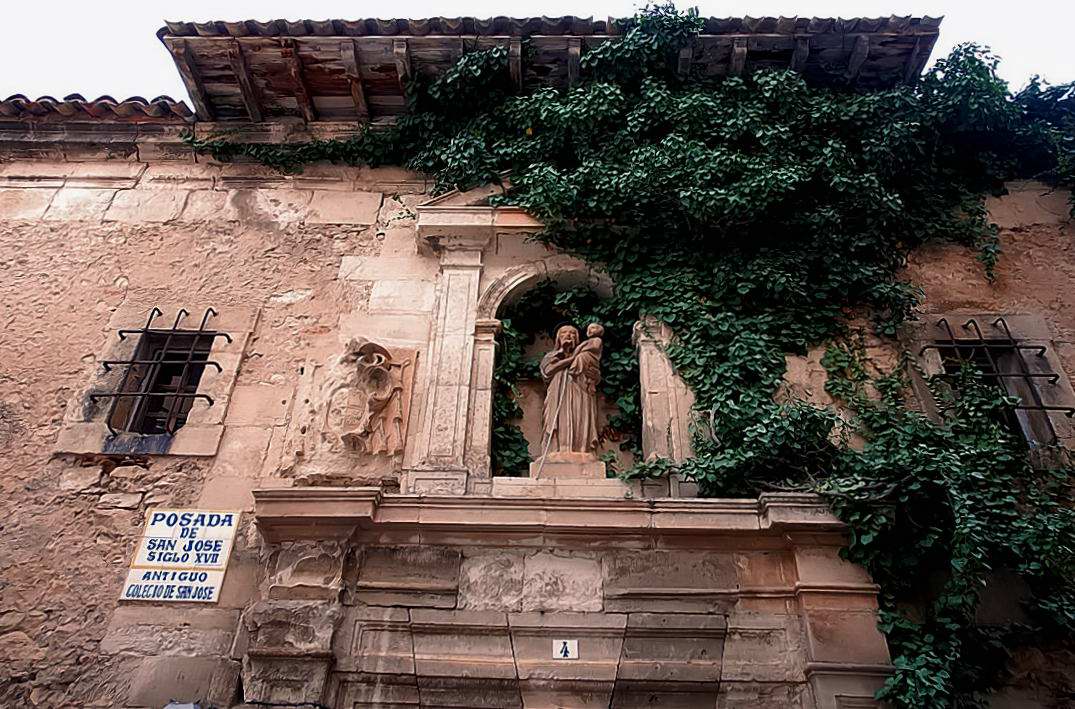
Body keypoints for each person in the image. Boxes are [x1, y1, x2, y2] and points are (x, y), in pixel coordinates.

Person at [538, 323, 601, 455]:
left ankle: (581, 450)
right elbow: (548, 371)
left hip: (580, 390)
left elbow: (595, 375)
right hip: (558, 391)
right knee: (557, 418)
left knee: (580, 416)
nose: (568, 335)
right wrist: (569, 358)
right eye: (564, 333)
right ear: (558, 338)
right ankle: (557, 450)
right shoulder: (551, 356)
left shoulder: (585, 356)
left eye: (573, 333)